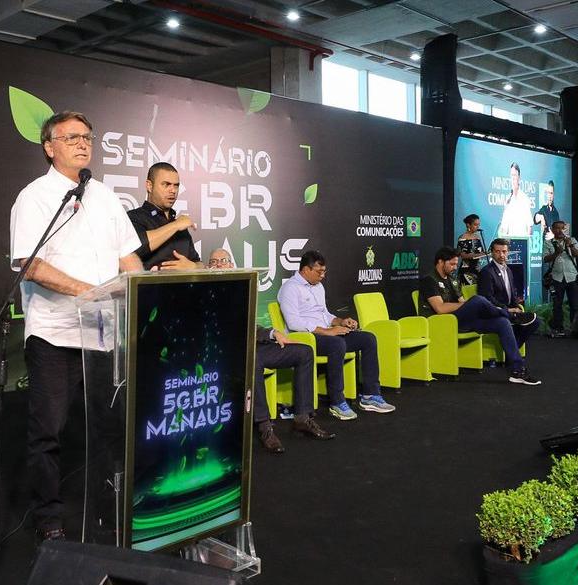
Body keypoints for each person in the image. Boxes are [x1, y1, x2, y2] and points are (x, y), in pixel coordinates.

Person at [9, 111, 144, 542]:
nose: (82, 143)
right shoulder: (34, 197)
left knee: (110, 427)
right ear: (50, 147)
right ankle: (49, 517)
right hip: (54, 332)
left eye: (87, 136)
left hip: (103, 334)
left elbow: (128, 256)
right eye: (71, 137)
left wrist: (140, 287)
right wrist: (92, 290)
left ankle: (111, 506)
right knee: (48, 430)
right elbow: (29, 264)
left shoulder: (104, 195)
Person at [207, 249, 333, 453]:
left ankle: (302, 417)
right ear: (207, 267)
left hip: (253, 344)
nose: (220, 264)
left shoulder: (240, 289)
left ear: (232, 264)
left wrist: (273, 333)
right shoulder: (207, 292)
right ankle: (264, 426)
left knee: (305, 352)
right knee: (253, 360)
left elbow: (250, 325)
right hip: (228, 352)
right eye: (214, 261)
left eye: (224, 260)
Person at [276, 250, 396, 420]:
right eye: (319, 272)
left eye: (324, 271)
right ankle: (337, 402)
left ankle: (370, 396)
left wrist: (340, 322)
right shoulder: (290, 288)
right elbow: (294, 323)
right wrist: (327, 332)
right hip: (304, 338)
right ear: (305, 270)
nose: (323, 275)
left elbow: (325, 314)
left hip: (326, 333)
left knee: (368, 339)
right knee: (337, 344)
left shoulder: (318, 287)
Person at [420, 246, 540, 385]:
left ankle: (517, 370)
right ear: (440, 262)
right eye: (451, 264)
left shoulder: (452, 279)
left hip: (460, 320)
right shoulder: (429, 280)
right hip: (442, 323)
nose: (454, 267)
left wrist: (472, 307)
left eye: (455, 264)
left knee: (502, 322)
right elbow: (440, 308)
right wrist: (470, 305)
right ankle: (511, 316)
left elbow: (461, 302)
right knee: (478, 300)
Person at [127, 162, 201, 270]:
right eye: (166, 184)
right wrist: (175, 225)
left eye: (176, 185)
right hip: (148, 287)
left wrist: (193, 267)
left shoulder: (181, 226)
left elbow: (199, 263)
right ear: (149, 186)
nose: (173, 190)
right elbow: (136, 246)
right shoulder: (134, 217)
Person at [477, 239, 541, 351]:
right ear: (492, 253)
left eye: (504, 251)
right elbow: (487, 298)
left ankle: (512, 350)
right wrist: (508, 310)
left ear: (508, 252)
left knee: (535, 321)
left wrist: (517, 307)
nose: (501, 255)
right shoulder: (487, 272)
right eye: (497, 251)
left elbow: (512, 294)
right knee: (509, 322)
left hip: (510, 311)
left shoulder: (508, 270)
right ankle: (512, 353)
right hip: (496, 312)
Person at [542, 221, 578, 337]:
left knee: (574, 305)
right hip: (556, 277)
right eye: (557, 228)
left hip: (572, 277)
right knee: (557, 305)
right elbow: (545, 259)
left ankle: (576, 329)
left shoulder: (572, 240)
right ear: (553, 230)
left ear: (565, 230)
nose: (560, 231)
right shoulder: (548, 243)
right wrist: (556, 253)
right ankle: (558, 329)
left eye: (562, 228)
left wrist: (570, 245)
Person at [497, 162, 533, 238]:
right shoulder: (508, 198)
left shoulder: (524, 198)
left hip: (521, 240)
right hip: (508, 242)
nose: (513, 178)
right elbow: (504, 225)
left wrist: (527, 242)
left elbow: (529, 225)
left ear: (519, 177)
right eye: (511, 175)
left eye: (514, 175)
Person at [456, 214, 488, 285]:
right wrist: (477, 255)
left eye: (478, 225)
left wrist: (487, 253)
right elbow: (463, 255)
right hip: (466, 270)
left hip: (477, 269)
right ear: (468, 225)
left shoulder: (477, 237)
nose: (477, 227)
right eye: (475, 225)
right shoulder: (462, 238)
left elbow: (481, 252)